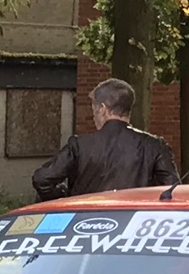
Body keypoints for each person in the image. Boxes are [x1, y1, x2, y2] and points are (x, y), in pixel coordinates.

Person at [31, 77, 179, 198]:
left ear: (102, 109)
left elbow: (42, 180)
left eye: (94, 111)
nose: (94, 117)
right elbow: (173, 190)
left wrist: (65, 197)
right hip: (135, 225)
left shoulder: (79, 145)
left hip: (85, 222)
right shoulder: (155, 146)